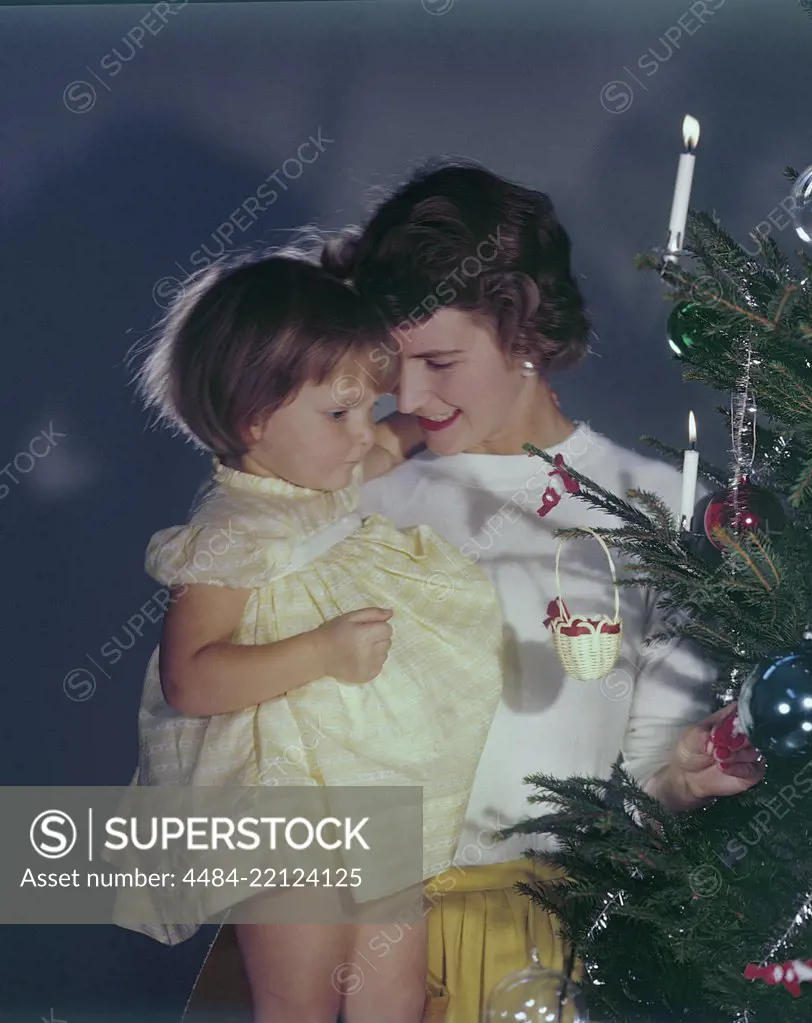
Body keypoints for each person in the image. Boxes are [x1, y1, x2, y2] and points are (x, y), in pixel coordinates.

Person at [178, 164, 764, 1023]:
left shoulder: (657, 508)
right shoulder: (344, 493)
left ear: (525, 331)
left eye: (440, 361)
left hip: (532, 946)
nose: (407, 398)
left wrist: (684, 773)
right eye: (390, 366)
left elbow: (643, 777)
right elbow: (240, 703)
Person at [118, 248, 504, 1023]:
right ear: (252, 420)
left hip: (370, 782)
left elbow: (390, 442)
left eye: (364, 408)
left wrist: (430, 420)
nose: (361, 435)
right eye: (339, 414)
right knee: (301, 994)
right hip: (279, 803)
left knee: (392, 989)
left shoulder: (323, 477)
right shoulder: (230, 533)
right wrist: (318, 652)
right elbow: (190, 678)